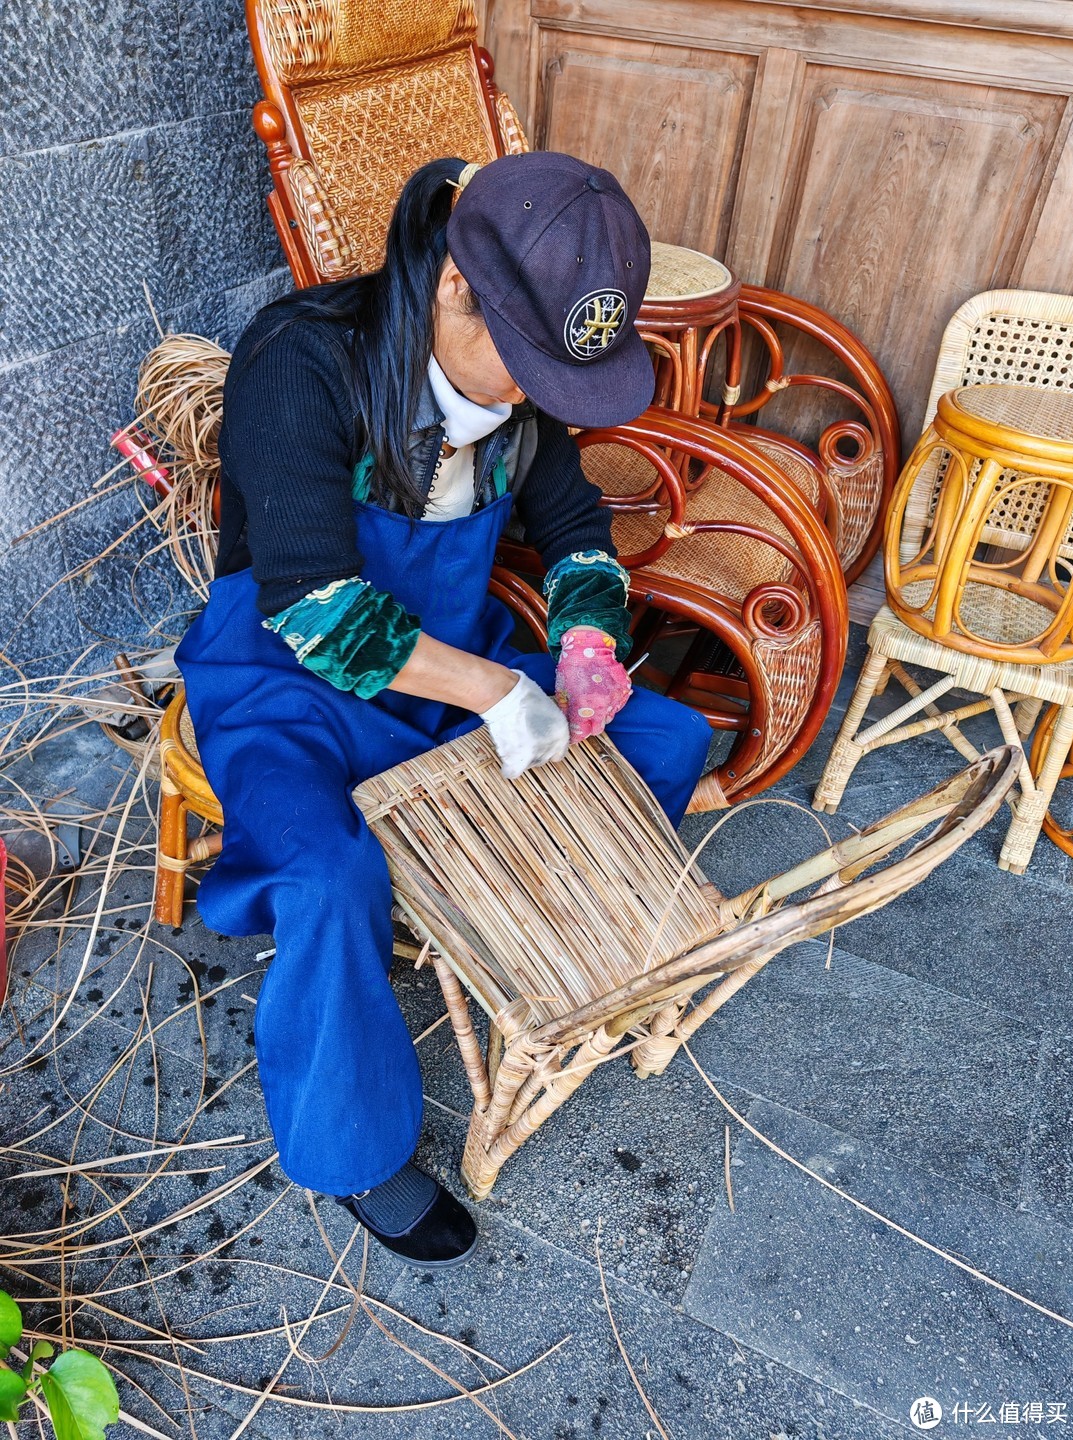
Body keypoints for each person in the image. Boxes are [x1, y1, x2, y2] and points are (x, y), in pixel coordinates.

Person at [175, 151, 713, 1268]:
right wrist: (501, 690)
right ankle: (359, 1149)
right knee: (329, 874)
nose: (525, 395)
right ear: (456, 286)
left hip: (440, 667)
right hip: (285, 681)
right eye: (521, 366)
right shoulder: (303, 358)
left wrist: (584, 642)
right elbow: (317, 610)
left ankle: (515, 913)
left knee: (663, 736)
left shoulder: (522, 390)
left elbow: (574, 534)